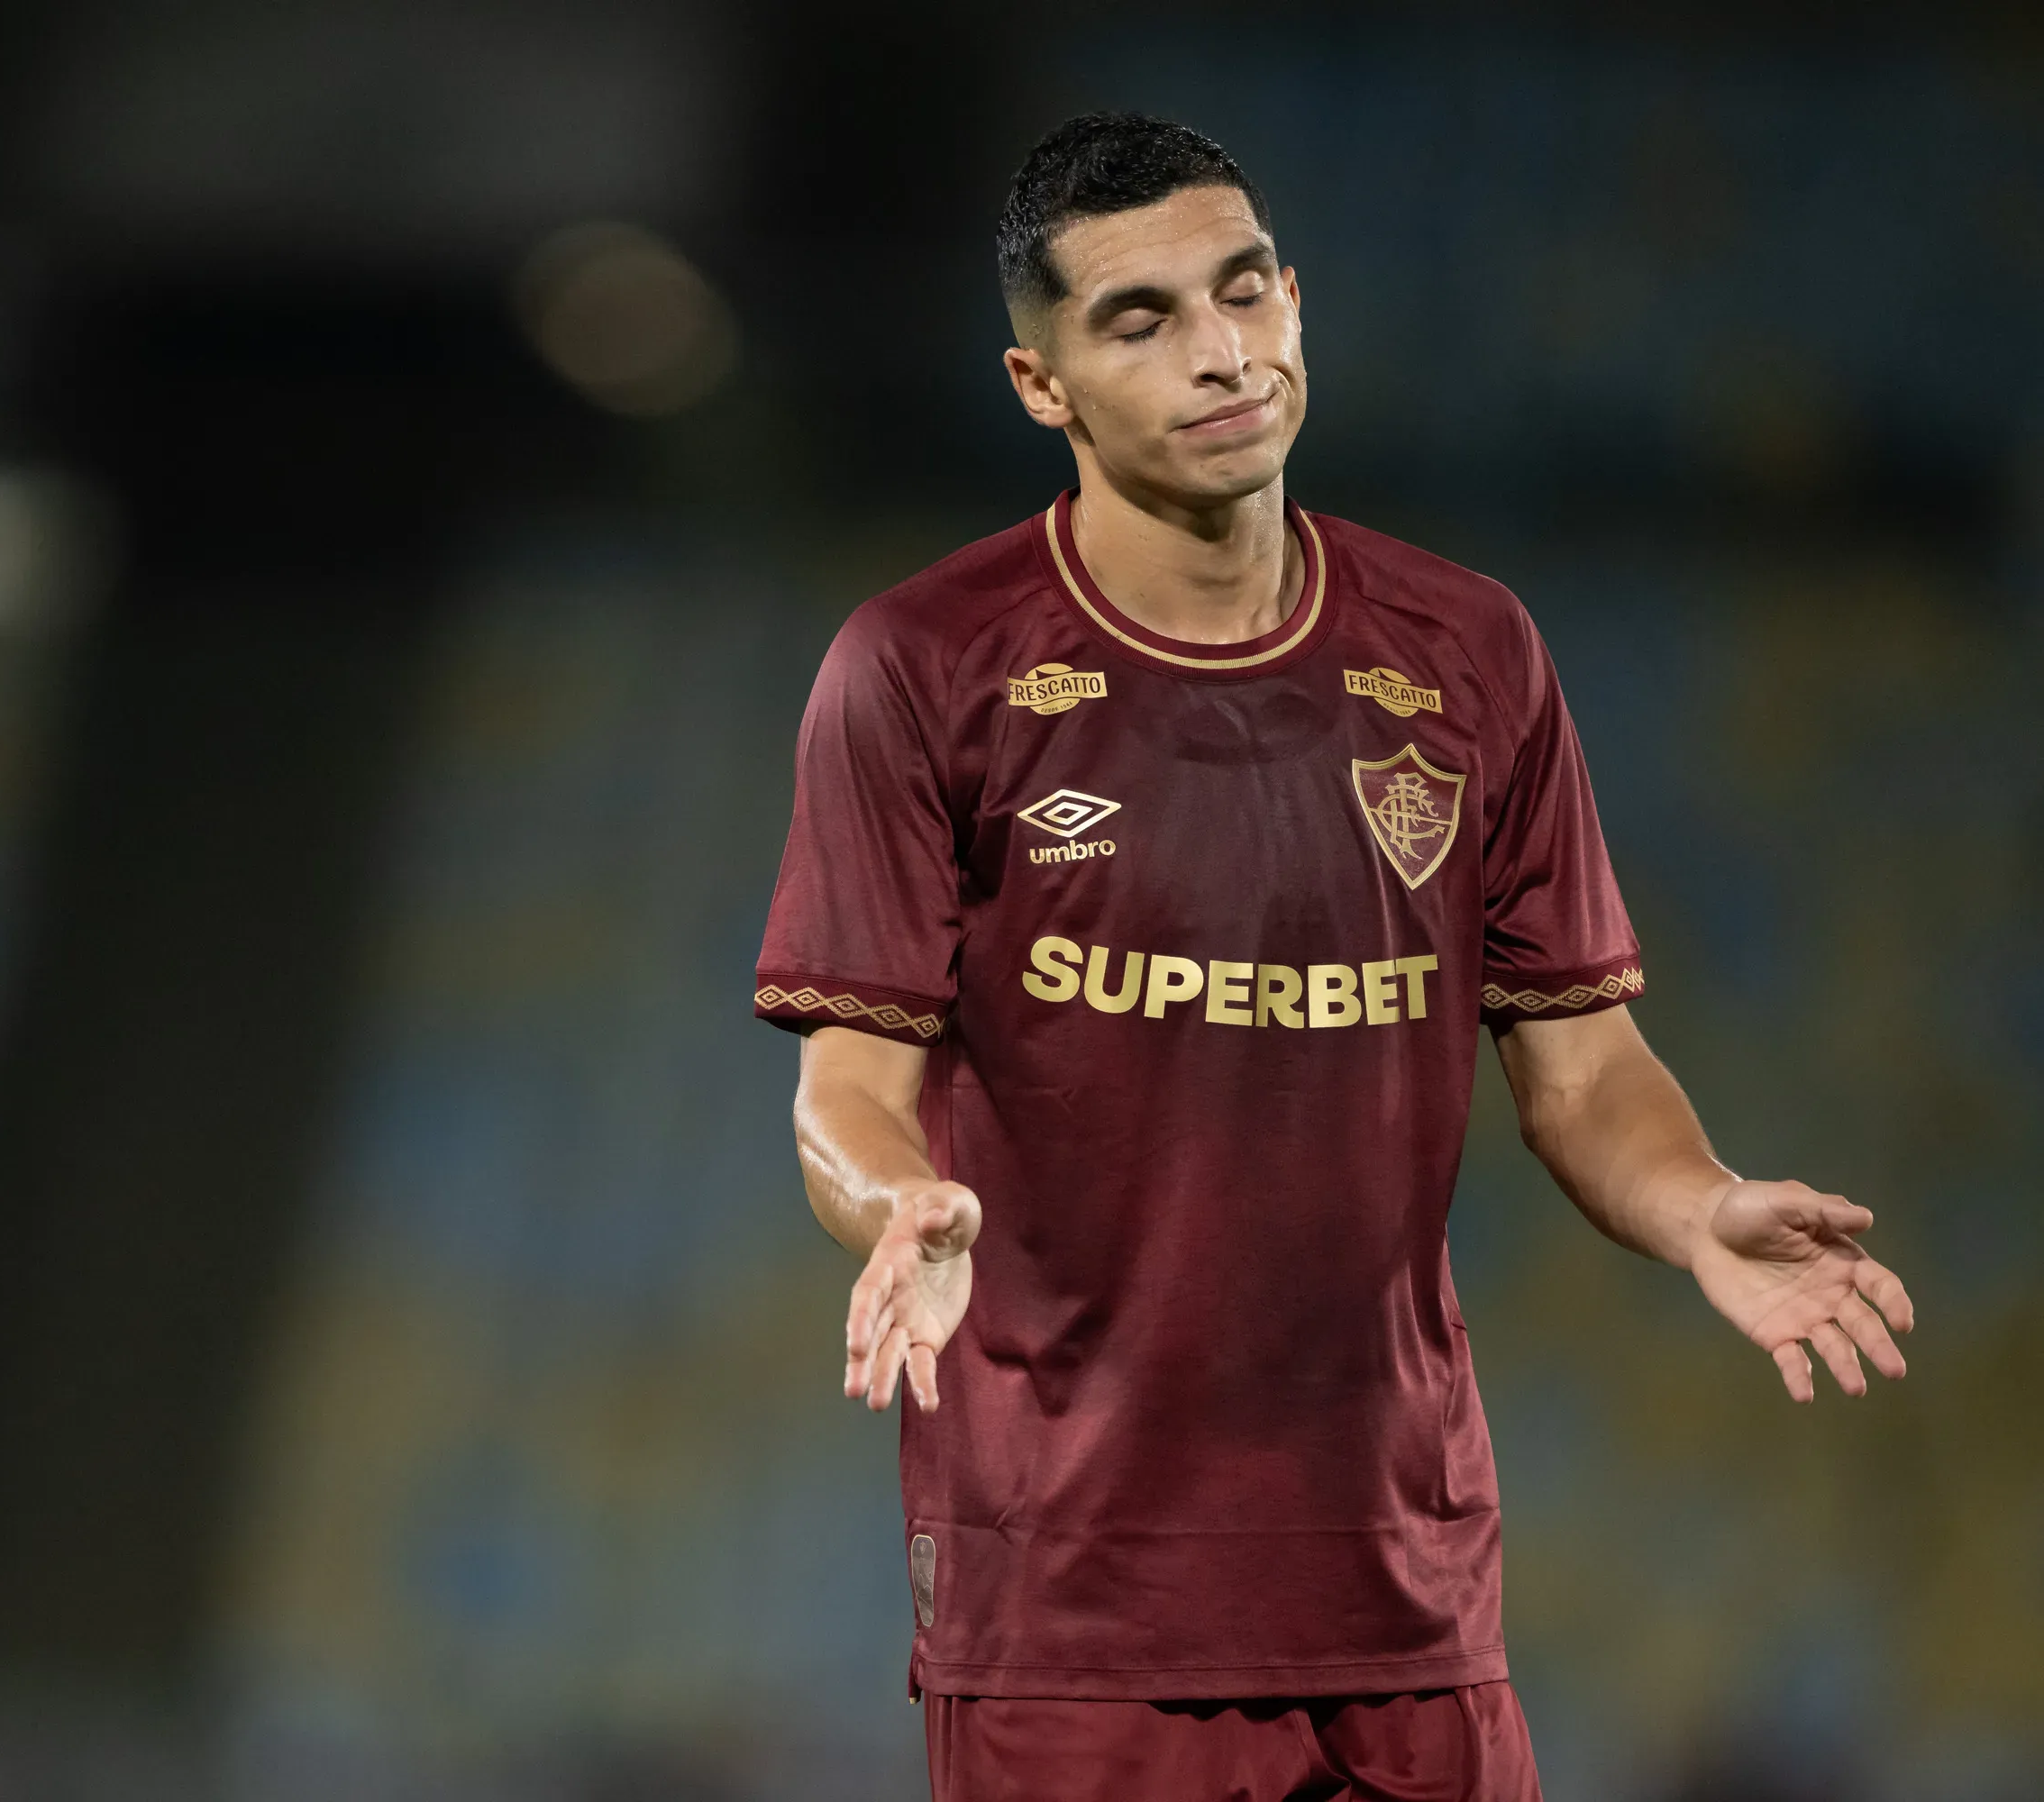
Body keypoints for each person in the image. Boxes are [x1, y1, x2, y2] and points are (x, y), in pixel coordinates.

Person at [753, 112, 1914, 1802]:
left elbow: (1582, 1067)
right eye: (1140, 321)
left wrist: (1699, 1205)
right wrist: (897, 1204)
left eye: (1243, 292)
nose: (1220, 353)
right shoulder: (922, 668)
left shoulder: (1472, 648)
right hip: (1075, 1608)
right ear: (1041, 385)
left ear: (1298, 300)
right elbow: (843, 1089)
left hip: (1409, 1590)